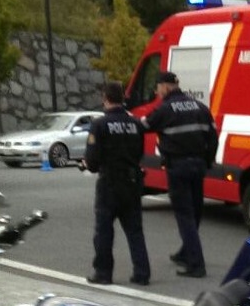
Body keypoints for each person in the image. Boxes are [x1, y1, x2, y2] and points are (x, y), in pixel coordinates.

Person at [143, 71, 219, 277]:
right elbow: (213, 137)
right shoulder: (200, 107)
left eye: (158, 88)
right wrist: (207, 161)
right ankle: (186, 252)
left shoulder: (165, 109)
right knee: (195, 212)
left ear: (166, 87)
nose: (157, 92)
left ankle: (196, 264)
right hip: (198, 165)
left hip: (178, 167)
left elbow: (143, 126)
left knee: (185, 215)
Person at [84, 81, 151, 285]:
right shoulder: (136, 124)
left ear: (105, 98)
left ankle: (103, 273)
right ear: (123, 98)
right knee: (134, 231)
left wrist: (89, 164)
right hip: (132, 182)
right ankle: (142, 273)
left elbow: (93, 161)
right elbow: (140, 152)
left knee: (104, 230)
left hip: (109, 183)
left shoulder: (100, 125)